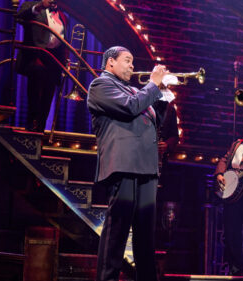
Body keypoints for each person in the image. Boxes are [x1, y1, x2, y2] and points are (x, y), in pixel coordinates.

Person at [87, 46, 170, 281]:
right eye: (127, 60)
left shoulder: (135, 89)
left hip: (146, 168)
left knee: (146, 236)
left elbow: (154, 121)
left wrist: (161, 94)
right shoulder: (101, 85)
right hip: (122, 164)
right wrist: (153, 85)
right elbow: (130, 107)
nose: (133, 66)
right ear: (110, 62)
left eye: (133, 61)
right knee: (117, 231)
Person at [213, 128, 243, 276]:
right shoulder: (236, 143)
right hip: (231, 193)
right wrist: (219, 174)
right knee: (230, 232)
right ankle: (235, 266)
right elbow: (225, 158)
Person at [16, 0, 68, 132]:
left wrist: (64, 61)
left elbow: (63, 41)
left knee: (48, 94)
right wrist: (39, 6)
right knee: (35, 91)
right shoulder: (33, 4)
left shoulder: (62, 15)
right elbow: (20, 16)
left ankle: (40, 128)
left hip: (54, 58)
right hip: (37, 56)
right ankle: (31, 125)